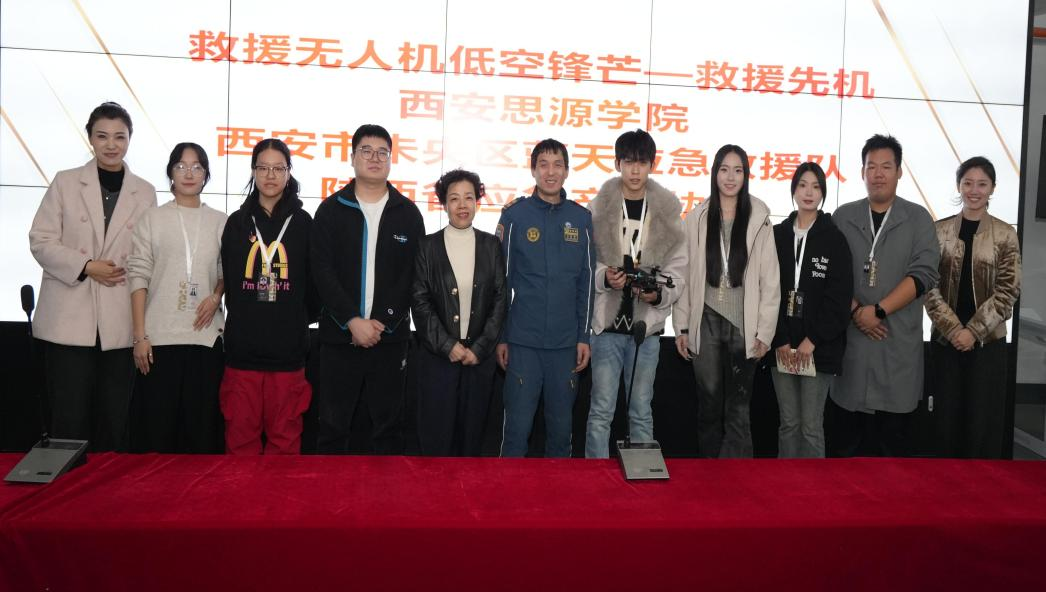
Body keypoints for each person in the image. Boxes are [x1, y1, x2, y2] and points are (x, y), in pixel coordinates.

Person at [29, 101, 157, 451]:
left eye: (120, 136)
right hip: (68, 318)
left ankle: (107, 484)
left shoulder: (145, 191)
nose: (111, 144)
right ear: (90, 138)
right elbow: (40, 240)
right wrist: (86, 266)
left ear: (130, 139)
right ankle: (67, 483)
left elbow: (148, 253)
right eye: (102, 136)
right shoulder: (66, 182)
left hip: (119, 318)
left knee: (114, 420)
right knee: (68, 418)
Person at [312, 124, 425, 455]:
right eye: (366, 151)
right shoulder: (331, 210)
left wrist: (382, 322)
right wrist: (352, 320)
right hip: (339, 337)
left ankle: (385, 490)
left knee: (388, 430)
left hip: (389, 339)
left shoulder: (408, 213)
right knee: (333, 429)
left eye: (382, 152)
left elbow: (412, 276)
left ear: (390, 159)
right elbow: (322, 271)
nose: (374, 158)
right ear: (352, 158)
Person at [830, 134, 939, 457]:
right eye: (871, 166)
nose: (878, 174)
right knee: (847, 450)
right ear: (862, 172)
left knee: (893, 452)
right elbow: (832, 275)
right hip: (853, 346)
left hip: (896, 345)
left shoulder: (918, 218)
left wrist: (877, 311)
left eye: (886, 166)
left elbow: (923, 274)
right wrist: (856, 312)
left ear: (899, 172)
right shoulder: (843, 216)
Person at [672, 144, 779, 458]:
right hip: (704, 319)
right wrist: (681, 327)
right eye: (724, 169)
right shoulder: (696, 218)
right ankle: (709, 477)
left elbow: (770, 280)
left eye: (738, 170)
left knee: (739, 411)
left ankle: (738, 479)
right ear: (714, 173)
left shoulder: (759, 218)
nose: (730, 177)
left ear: (746, 175)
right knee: (708, 407)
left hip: (743, 324)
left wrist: (765, 332)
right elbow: (686, 275)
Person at [584, 129, 686, 458]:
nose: (635, 170)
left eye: (641, 162)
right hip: (607, 326)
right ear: (617, 164)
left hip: (647, 328)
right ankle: (594, 477)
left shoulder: (667, 211)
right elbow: (586, 262)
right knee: (601, 410)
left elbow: (679, 268)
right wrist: (604, 277)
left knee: (641, 409)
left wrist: (659, 295)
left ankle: (643, 480)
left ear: (651, 165)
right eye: (628, 162)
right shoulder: (598, 208)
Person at [496, 138, 595, 458]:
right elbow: (501, 283)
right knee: (516, 432)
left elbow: (586, 283)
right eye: (543, 165)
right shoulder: (515, 216)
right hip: (522, 343)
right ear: (533, 170)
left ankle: (559, 491)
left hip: (566, 346)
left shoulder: (581, 218)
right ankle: (508, 489)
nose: (550, 172)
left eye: (557, 165)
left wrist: (583, 337)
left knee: (561, 435)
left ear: (567, 171)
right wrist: (502, 336)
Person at [219, 138, 316, 455]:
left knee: (285, 444)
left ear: (289, 172)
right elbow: (229, 282)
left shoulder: (304, 224)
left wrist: (295, 320)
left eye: (279, 168)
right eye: (263, 168)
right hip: (242, 353)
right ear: (253, 171)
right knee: (240, 443)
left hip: (288, 355)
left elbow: (314, 287)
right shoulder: (237, 223)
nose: (270, 175)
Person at [128, 143, 226, 453]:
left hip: (205, 338)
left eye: (197, 167)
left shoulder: (221, 221)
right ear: (170, 172)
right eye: (181, 166)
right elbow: (138, 276)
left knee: (201, 435)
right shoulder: (152, 218)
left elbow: (227, 271)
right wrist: (140, 336)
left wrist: (216, 295)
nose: (189, 173)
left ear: (206, 174)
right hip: (159, 339)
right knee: (158, 435)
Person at [924, 156, 1020, 459]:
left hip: (988, 342)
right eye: (968, 183)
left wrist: (973, 332)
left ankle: (982, 485)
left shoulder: (1005, 233)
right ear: (959, 186)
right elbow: (929, 286)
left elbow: (1008, 290)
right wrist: (954, 330)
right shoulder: (939, 231)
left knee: (982, 422)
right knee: (945, 420)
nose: (974, 190)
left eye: (982, 184)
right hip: (946, 339)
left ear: (992, 188)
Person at [411, 169, 508, 456]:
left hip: (479, 359)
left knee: (474, 441)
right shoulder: (427, 246)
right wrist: (447, 346)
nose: (462, 205)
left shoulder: (491, 245)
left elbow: (500, 300)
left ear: (477, 201)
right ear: (444, 204)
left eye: (468, 197)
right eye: (454, 199)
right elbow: (420, 302)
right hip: (438, 359)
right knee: (437, 440)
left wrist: (479, 348)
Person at [770, 162, 853, 458]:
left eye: (816, 187)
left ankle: (814, 487)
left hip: (818, 348)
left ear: (823, 193)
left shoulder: (834, 239)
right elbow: (766, 291)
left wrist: (812, 340)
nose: (809, 192)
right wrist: (779, 338)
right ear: (793, 190)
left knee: (810, 427)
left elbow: (839, 299)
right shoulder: (776, 235)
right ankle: (787, 484)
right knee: (788, 424)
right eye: (803, 185)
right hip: (781, 345)